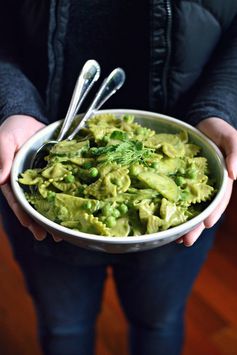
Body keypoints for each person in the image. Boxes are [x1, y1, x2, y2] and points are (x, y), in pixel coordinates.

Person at [0, 1, 237, 355]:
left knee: (159, 323)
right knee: (63, 328)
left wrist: (219, 109)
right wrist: (13, 105)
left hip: (178, 217)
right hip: (41, 169)